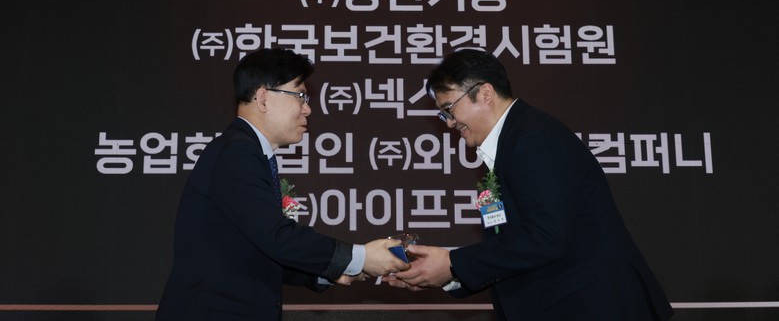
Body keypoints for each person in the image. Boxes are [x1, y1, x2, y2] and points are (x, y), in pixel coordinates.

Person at [385, 49, 674, 320]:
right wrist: (447, 274)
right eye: (443, 114)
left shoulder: (533, 138)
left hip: (594, 307)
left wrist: (453, 263)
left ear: (485, 93)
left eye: (449, 109)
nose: (449, 123)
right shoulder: (510, 146)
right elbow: (514, 248)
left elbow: (546, 237)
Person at [156, 48, 409, 320]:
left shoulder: (245, 151)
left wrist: (335, 270)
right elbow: (275, 236)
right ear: (263, 98)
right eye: (300, 96)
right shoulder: (237, 153)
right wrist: (359, 257)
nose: (307, 108)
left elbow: (255, 251)